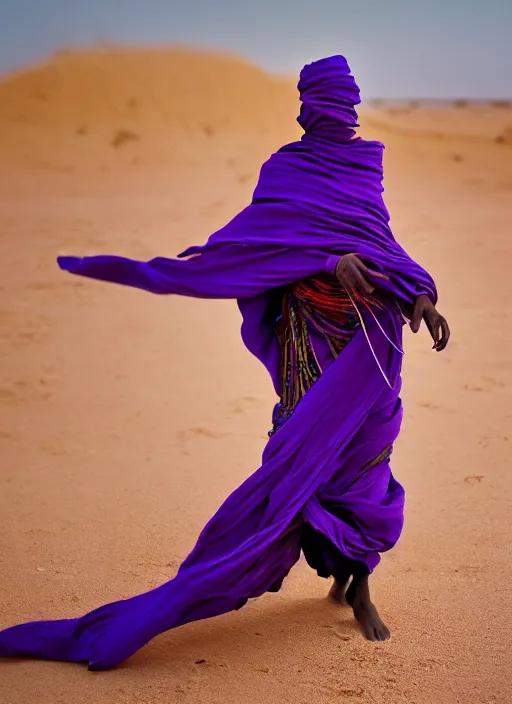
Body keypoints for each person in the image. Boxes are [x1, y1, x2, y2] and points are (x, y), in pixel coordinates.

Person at [0, 55, 449, 670]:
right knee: (299, 461)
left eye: (326, 105)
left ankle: (357, 584)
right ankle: (241, 578)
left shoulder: (365, 163)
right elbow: (270, 242)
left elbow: (382, 243)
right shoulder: (287, 167)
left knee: (366, 468)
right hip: (309, 343)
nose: (316, 114)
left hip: (372, 346)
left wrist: (421, 295)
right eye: (319, 105)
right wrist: (327, 261)